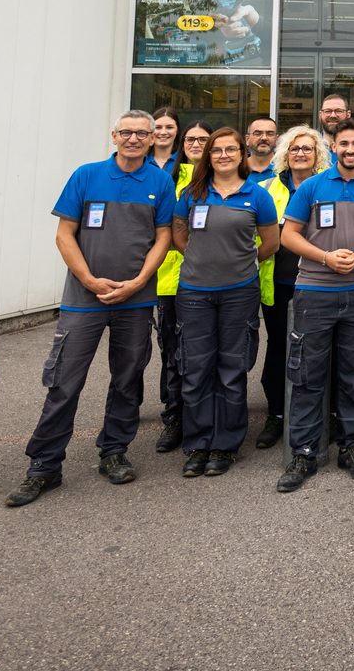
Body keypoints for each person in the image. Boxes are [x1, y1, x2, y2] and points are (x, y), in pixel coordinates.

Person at [6, 111, 175, 506]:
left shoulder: (160, 182)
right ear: (114, 136)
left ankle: (114, 451)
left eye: (142, 134)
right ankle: (44, 466)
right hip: (84, 301)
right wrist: (89, 280)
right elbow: (64, 234)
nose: (133, 139)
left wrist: (138, 282)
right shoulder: (86, 175)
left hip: (136, 300)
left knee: (127, 379)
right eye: (126, 132)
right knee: (64, 382)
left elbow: (164, 236)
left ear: (153, 139)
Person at [275, 120, 354, 492]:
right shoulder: (311, 186)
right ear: (334, 147)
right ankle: (304, 452)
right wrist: (325, 257)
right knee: (307, 376)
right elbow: (288, 235)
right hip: (313, 291)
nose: (350, 149)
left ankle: (351, 446)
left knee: (351, 375)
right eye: (344, 143)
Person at [172, 127, 280, 477]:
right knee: (196, 368)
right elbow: (178, 236)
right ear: (209, 156)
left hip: (239, 292)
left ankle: (225, 445)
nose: (223, 156)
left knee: (232, 369)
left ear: (241, 154)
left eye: (230, 149)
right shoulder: (192, 194)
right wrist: (200, 258)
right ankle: (197, 444)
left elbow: (271, 243)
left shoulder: (257, 195)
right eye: (216, 150)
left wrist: (243, 262)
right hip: (194, 292)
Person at [253, 124, 323, 449]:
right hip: (278, 283)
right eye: (294, 148)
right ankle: (277, 414)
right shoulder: (266, 189)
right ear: (285, 154)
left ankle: (321, 413)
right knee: (279, 348)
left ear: (318, 155)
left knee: (318, 349)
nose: (300, 154)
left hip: (318, 283)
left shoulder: (328, 186)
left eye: (307, 148)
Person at [153, 118, 210, 454]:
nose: (195, 144)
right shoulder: (166, 180)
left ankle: (202, 415)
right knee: (172, 354)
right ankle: (174, 417)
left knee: (202, 352)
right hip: (169, 280)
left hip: (205, 279)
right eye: (190, 139)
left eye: (203, 139)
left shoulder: (219, 179)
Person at [147, 106, 187, 452]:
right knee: (161, 347)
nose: (162, 132)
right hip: (148, 271)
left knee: (179, 347)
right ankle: (170, 407)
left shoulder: (188, 168)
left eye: (169, 127)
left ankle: (177, 414)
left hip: (183, 271)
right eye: (157, 126)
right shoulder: (139, 166)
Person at [242, 116, 280, 188]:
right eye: (258, 134)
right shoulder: (236, 169)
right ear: (247, 139)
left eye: (270, 134)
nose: (264, 138)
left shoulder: (285, 169)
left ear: (277, 139)